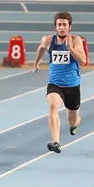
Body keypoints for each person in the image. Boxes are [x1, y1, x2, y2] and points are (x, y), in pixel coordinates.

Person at [33, 12, 87, 154]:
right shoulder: (48, 40)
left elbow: (83, 60)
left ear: (70, 27)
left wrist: (70, 48)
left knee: (72, 121)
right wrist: (37, 62)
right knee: (52, 106)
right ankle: (56, 142)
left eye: (64, 25)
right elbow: (41, 48)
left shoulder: (76, 41)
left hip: (72, 86)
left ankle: (75, 124)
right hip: (55, 84)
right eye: (59, 25)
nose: (62, 27)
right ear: (55, 27)